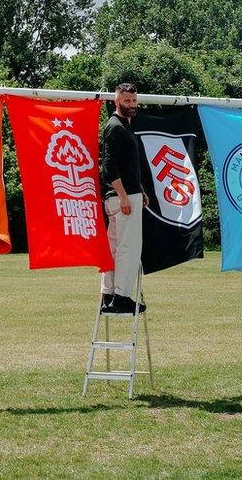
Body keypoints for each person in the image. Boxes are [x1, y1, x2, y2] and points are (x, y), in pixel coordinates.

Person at [99, 83, 148, 314]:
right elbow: (109, 167)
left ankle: (108, 296)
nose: (132, 105)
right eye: (127, 101)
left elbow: (128, 166)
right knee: (129, 248)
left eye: (134, 101)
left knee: (114, 248)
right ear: (117, 102)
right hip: (122, 198)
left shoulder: (126, 127)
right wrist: (125, 196)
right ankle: (121, 298)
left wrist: (140, 189)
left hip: (127, 194)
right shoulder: (115, 127)